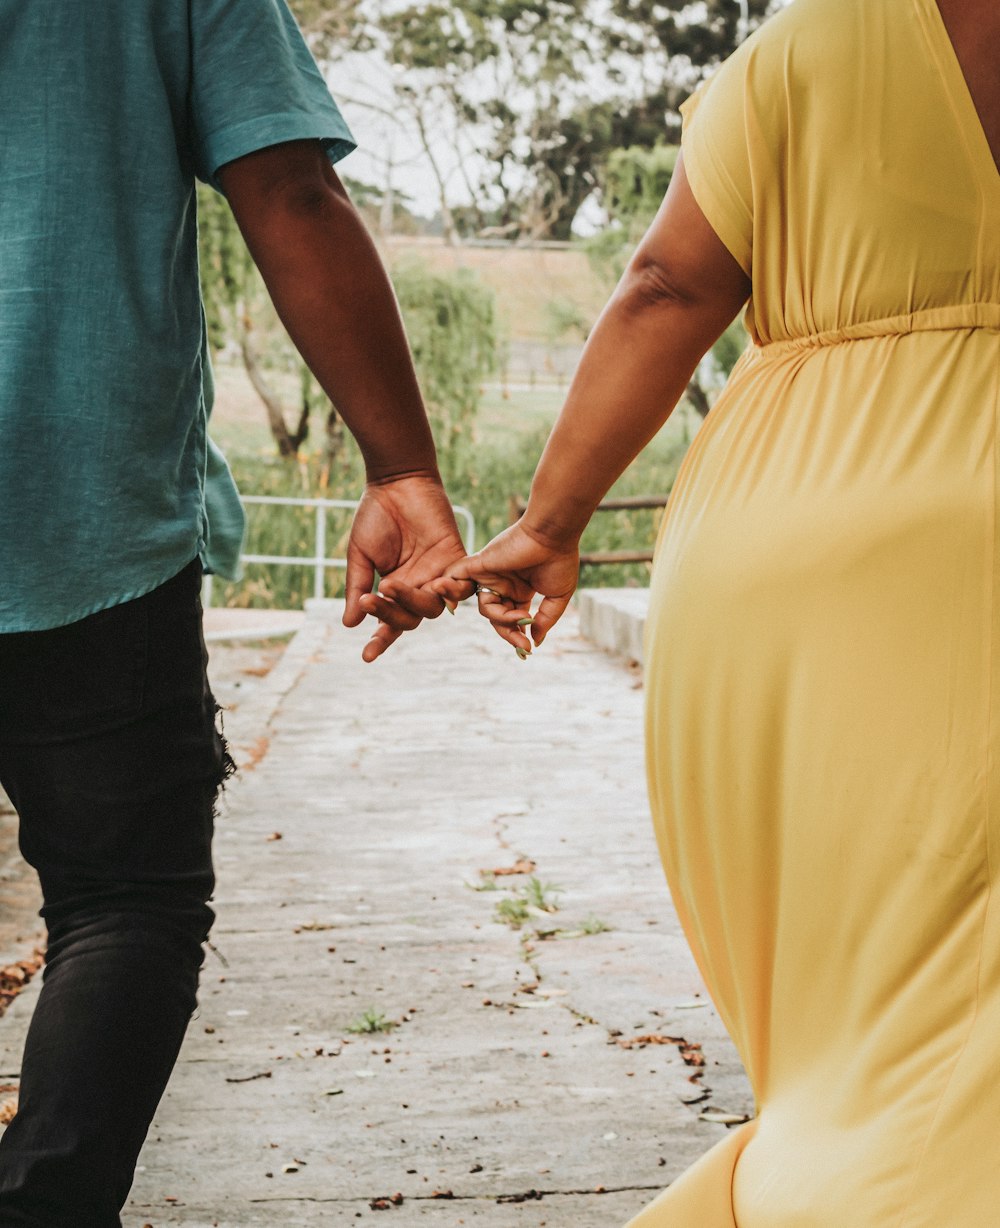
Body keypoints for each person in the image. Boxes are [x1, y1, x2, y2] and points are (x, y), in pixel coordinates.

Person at [424, 0, 1000, 1222]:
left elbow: (665, 286)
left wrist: (551, 519)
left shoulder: (803, 52)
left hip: (800, 552)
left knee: (859, 993)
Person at [0, 1, 459, 1224]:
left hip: (92, 519)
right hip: (76, 496)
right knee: (122, 901)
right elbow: (288, 190)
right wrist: (402, 468)